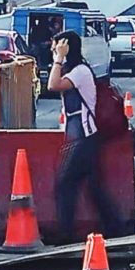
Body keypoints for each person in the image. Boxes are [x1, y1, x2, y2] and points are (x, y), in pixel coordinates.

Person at [48, 31, 122, 239]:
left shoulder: (80, 71)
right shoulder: (74, 70)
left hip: (84, 137)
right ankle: (114, 226)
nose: (53, 50)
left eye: (56, 46)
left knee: (64, 183)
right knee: (93, 187)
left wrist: (58, 59)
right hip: (79, 137)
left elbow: (53, 85)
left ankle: (66, 233)